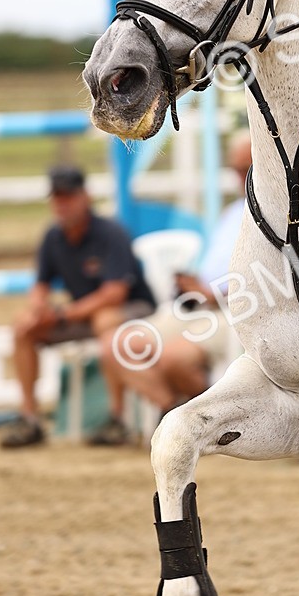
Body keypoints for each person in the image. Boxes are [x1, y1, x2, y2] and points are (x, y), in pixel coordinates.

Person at [96, 134, 251, 430]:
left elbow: (278, 279)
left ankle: (198, 422)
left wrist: (212, 292)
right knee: (115, 345)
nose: (239, 177)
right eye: (236, 169)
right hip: (198, 304)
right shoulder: (231, 213)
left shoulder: (280, 216)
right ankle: (173, 413)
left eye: (246, 169)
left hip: (236, 310)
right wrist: (194, 284)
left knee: (172, 358)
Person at [0, 166, 156, 448]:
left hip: (137, 308)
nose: (62, 203)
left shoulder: (111, 232)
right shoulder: (53, 237)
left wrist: (60, 314)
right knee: (24, 327)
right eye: (57, 197)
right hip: (85, 313)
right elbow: (40, 284)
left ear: (85, 196)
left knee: (105, 320)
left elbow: (115, 294)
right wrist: (37, 310)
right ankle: (30, 417)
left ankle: (117, 418)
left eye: (68, 196)